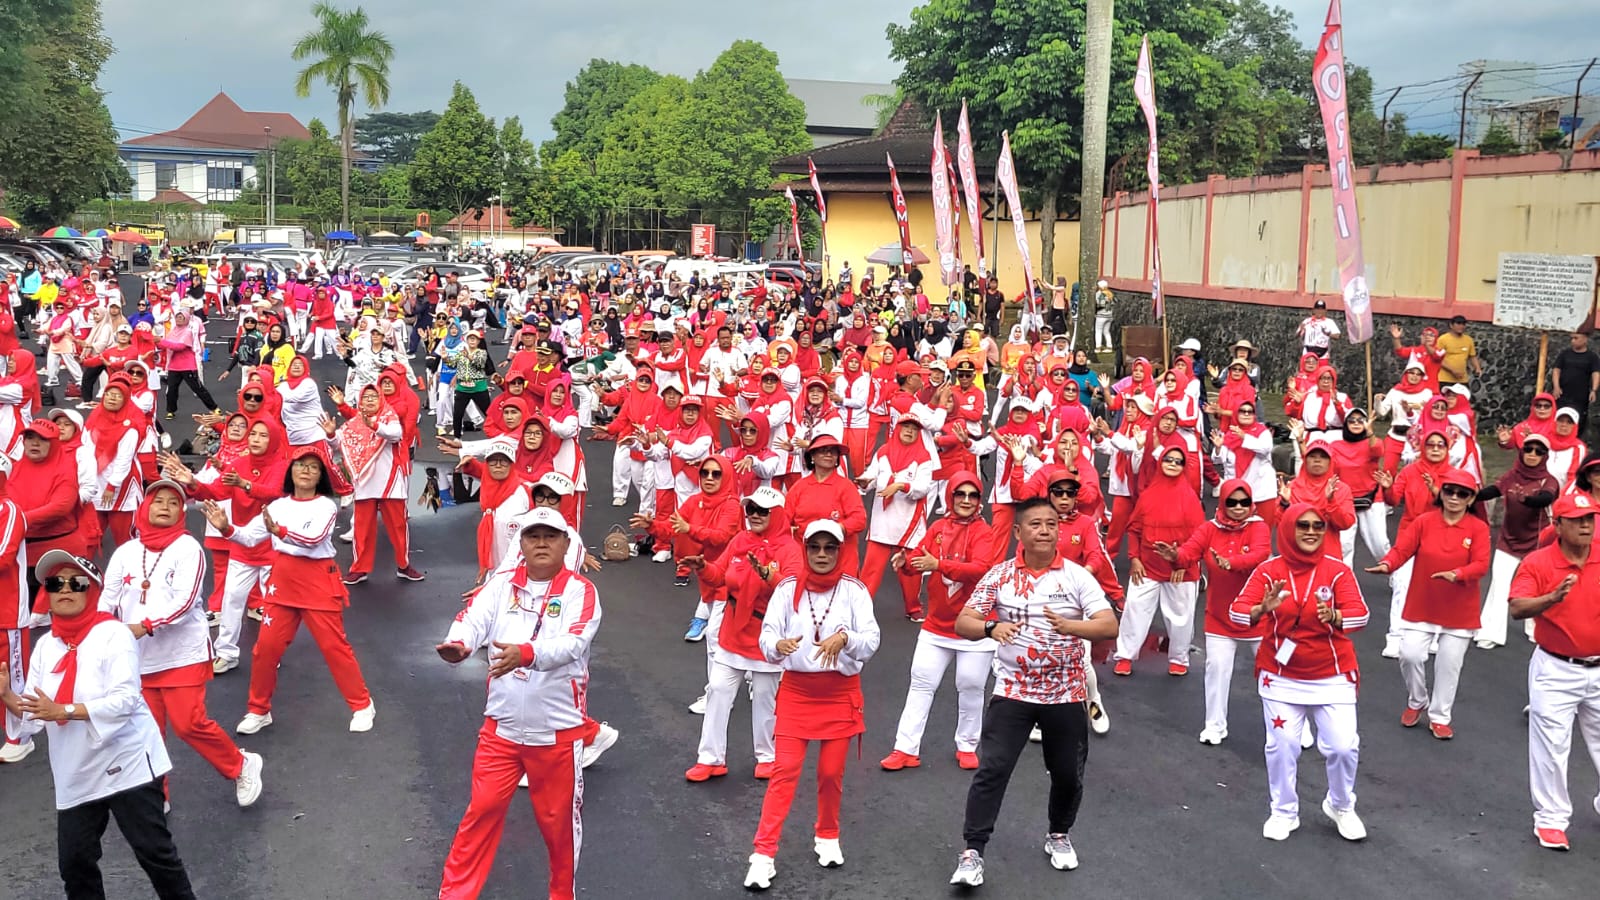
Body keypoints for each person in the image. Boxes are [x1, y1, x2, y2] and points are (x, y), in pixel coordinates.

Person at [0, 550, 198, 899]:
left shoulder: (114, 635)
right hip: (77, 772)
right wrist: (5, 696)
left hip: (129, 763)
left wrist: (64, 711)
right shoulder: (45, 647)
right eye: (55, 583)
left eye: (76, 583)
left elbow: (125, 700)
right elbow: (34, 713)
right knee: (75, 864)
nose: (65, 589)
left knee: (156, 855)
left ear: (91, 590)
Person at [948, 497, 1119, 887]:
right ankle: (972, 853)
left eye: (1051, 524)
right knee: (992, 770)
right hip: (1013, 691)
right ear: (1018, 532)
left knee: (1067, 775)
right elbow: (964, 621)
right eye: (1036, 524)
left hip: (1065, 694)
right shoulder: (1000, 576)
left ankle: (1058, 834)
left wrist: (1072, 627)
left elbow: (1108, 625)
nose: (1044, 531)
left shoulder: (1077, 577)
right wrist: (991, 628)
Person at [435, 509, 602, 900]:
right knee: (480, 814)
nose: (541, 543)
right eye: (533, 536)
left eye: (550, 536)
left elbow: (573, 643)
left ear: (566, 543)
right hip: (501, 732)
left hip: (557, 737)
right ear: (521, 544)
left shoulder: (581, 591)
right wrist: (459, 643)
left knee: (559, 828)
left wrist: (526, 654)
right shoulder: (501, 584)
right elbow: (471, 619)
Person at [102, 481, 264, 806]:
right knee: (147, 731)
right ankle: (157, 795)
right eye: (158, 500)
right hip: (137, 656)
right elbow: (107, 599)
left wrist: (145, 625)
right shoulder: (125, 552)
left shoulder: (188, 548)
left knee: (189, 724)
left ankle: (241, 764)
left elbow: (187, 601)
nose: (164, 507)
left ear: (181, 512)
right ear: (145, 507)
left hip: (182, 654)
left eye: (173, 503)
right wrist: (100, 631)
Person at [743, 520, 880, 891]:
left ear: (840, 551)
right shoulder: (787, 588)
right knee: (784, 771)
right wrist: (777, 647)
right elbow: (767, 636)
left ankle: (828, 834)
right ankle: (763, 855)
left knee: (831, 773)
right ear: (804, 550)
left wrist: (846, 638)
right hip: (797, 692)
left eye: (829, 547)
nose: (822, 554)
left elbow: (872, 640)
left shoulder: (854, 591)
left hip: (840, 693)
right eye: (814, 547)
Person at [1231, 505, 1370, 842]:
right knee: (1283, 745)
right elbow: (1236, 613)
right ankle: (1283, 811)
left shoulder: (1337, 571)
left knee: (1343, 747)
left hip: (1332, 675)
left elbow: (1361, 614)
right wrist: (1261, 609)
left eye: (1318, 526)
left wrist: (1335, 616)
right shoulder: (1269, 571)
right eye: (1303, 525)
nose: (1311, 532)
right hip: (1280, 676)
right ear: (1289, 529)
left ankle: (1340, 805)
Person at [230, 444, 376, 736]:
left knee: (334, 647)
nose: (305, 471)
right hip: (283, 581)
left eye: (313, 467)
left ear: (320, 475)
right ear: (291, 471)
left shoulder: (326, 506)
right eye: (300, 465)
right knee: (265, 649)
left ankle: (362, 705)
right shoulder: (277, 506)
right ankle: (258, 710)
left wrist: (280, 532)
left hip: (317, 580)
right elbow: (248, 537)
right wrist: (226, 529)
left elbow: (313, 539)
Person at [881, 472, 998, 771]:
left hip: (975, 627)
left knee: (970, 685)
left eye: (973, 495)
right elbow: (920, 558)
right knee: (921, 683)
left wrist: (938, 564)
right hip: (937, 625)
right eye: (960, 494)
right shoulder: (937, 528)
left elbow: (981, 569)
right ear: (951, 496)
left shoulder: (984, 532)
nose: (966, 500)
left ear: (979, 500)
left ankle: (967, 746)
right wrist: (906, 564)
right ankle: (905, 748)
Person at [683, 486, 799, 782]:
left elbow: (795, 592)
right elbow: (720, 575)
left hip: (766, 639)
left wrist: (769, 576)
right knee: (718, 690)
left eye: (762, 511)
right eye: (751, 510)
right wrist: (703, 567)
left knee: (764, 698)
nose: (754, 515)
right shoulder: (740, 540)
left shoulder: (790, 549)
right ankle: (710, 759)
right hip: (733, 634)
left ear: (777, 515)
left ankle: (767, 756)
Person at [1366, 469, 1489, 741]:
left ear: (1471, 499)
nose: (1455, 497)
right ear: (1441, 493)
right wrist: (1387, 564)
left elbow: (1481, 564)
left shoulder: (1478, 528)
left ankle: (1440, 717)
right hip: (1422, 604)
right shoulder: (1424, 522)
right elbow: (1402, 550)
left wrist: (1458, 574)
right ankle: (1417, 699)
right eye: (1450, 491)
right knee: (1409, 654)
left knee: (1448, 666)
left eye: (1462, 494)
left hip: (1459, 610)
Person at [1509, 491, 1600, 851]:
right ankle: (1550, 819)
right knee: (1551, 746)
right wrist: (1551, 598)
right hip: (1556, 670)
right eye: (1577, 521)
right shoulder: (1538, 563)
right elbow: (1517, 607)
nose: (1586, 526)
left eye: (1590, 519)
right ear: (1558, 525)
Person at [1157, 478, 1271, 745]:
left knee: (1274, 675)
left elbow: (1260, 554)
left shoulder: (1259, 527)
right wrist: (1175, 556)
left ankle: (1293, 727)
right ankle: (1214, 727)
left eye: (1244, 502)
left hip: (1259, 616)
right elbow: (1189, 553)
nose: (1239, 507)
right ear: (1222, 503)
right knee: (1216, 670)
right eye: (1232, 502)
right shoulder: (1209, 529)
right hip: (1221, 617)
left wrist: (1231, 563)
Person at [1115, 445, 1206, 676]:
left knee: (1181, 616)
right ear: (1160, 462)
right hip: (1147, 565)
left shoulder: (1190, 498)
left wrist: (1182, 563)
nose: (1173, 464)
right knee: (1135, 609)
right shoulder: (1148, 495)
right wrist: (1134, 558)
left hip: (1180, 569)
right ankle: (1125, 655)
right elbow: (1134, 529)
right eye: (1168, 459)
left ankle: (1179, 658)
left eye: (1178, 461)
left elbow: (1199, 538)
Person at [1475, 434, 1560, 649]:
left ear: (1545, 456)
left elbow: (1546, 498)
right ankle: (1490, 633)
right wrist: (1469, 494)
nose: (1532, 454)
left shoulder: (1548, 481)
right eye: (1528, 449)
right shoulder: (1512, 476)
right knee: (1499, 586)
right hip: (1508, 540)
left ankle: (1536, 630)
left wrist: (1529, 500)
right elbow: (1493, 491)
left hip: (1536, 543)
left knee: (1535, 588)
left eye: (1538, 451)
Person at [1549, 329, 1600, 434]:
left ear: (1585, 339)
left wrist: (1594, 390)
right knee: (1557, 418)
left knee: (1577, 421)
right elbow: (1556, 370)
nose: (1573, 341)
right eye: (1571, 338)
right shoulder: (1565, 354)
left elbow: (1596, 373)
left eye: (1576, 338)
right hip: (1562, 394)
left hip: (1580, 396)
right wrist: (1556, 387)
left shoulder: (1592, 357)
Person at [1435, 314, 1482, 388]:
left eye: (1463, 324)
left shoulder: (1468, 340)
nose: (1461, 326)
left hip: (1462, 379)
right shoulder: (1443, 339)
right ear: (1451, 325)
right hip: (1444, 379)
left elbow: (1472, 356)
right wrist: (1452, 370)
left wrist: (1477, 368)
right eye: (1458, 323)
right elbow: (1438, 359)